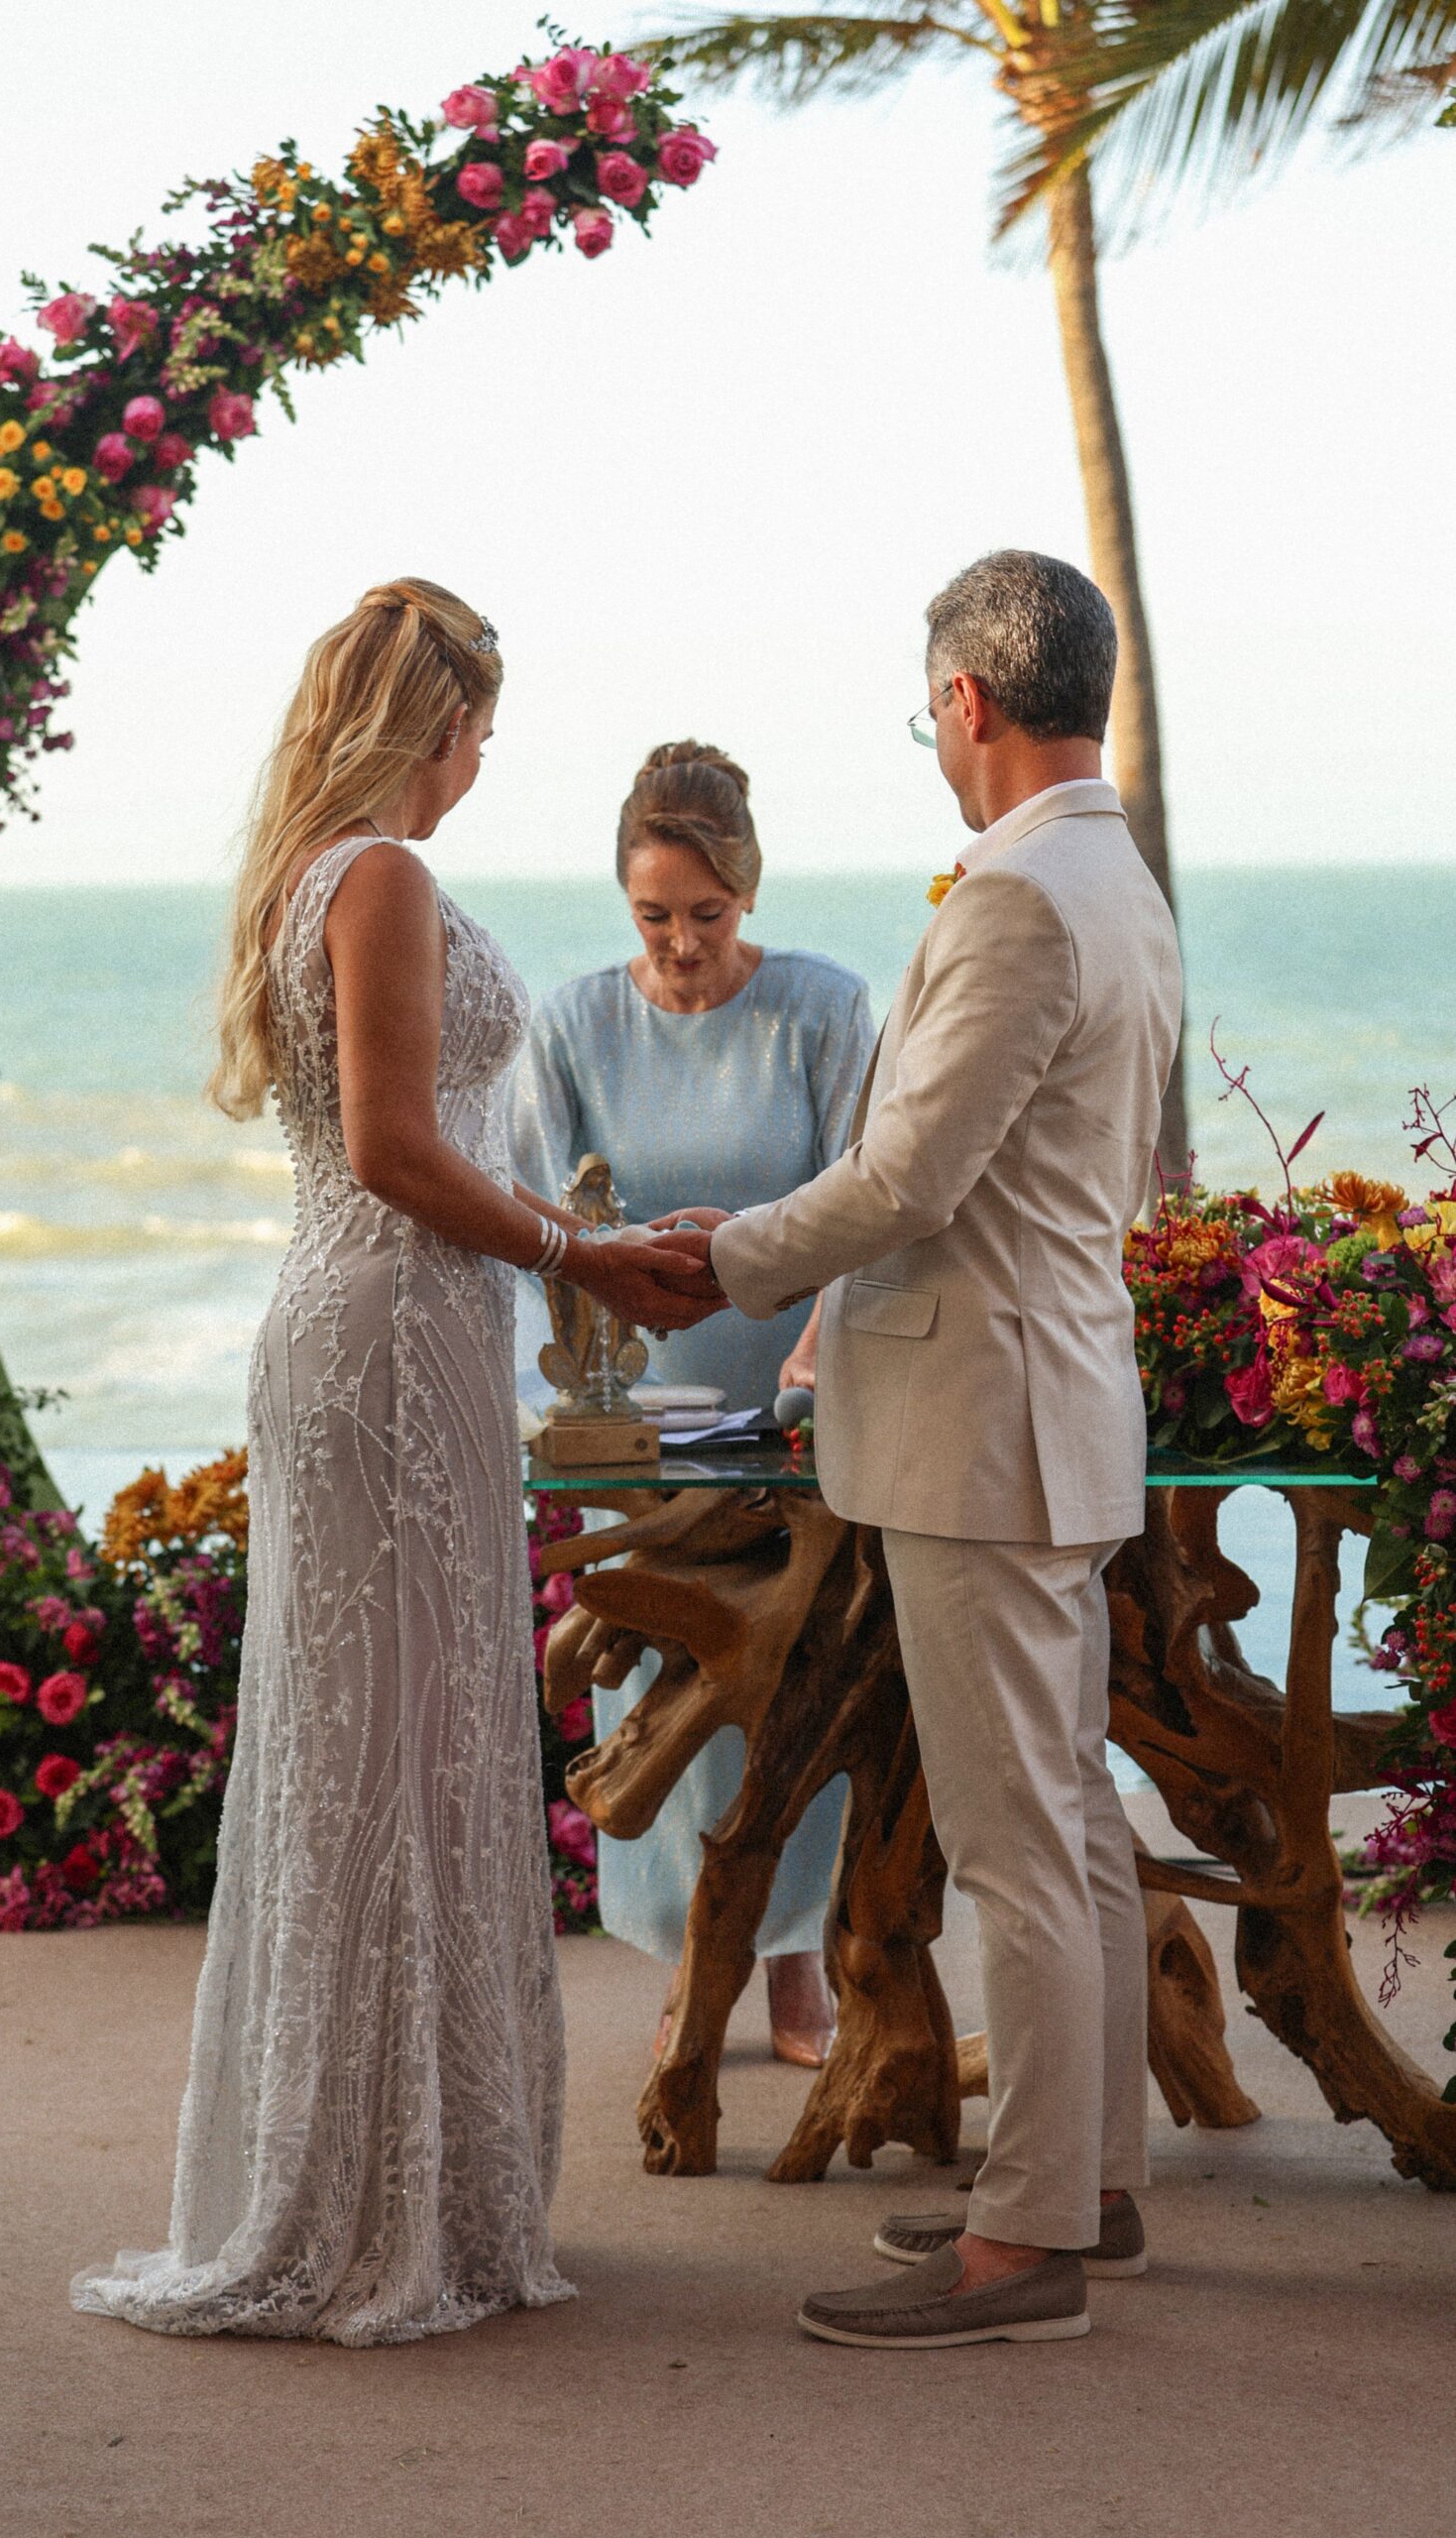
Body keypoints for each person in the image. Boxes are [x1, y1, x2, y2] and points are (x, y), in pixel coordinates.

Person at [70, 580, 713, 2348]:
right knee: (391, 1752)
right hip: (386, 1348)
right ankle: (373, 2204)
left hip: (387, 1344)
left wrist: (575, 1246)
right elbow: (393, 1147)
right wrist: (579, 1258)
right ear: (424, 724)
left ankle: (387, 2180)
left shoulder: (319, 876)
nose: (485, 759)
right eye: (478, 726)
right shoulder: (382, 876)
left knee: (388, 1746)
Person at [653, 551, 1183, 2351]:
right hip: (1056, 1403)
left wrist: (717, 1261)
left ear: (968, 700)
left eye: (927, 713)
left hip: (985, 1429)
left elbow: (909, 1182)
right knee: (1075, 1829)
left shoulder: (1022, 897)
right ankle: (1083, 2183)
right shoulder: (1124, 878)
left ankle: (1029, 2251)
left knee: (1017, 1836)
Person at [507, 742, 874, 2065]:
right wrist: (560, 1407)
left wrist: (821, 1359)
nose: (680, 944)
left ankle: (793, 1974)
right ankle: (693, 1968)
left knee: (794, 1678)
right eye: (653, 917)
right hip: (636, 1409)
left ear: (749, 895)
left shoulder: (827, 1010)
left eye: (705, 917)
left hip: (791, 1408)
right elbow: (534, 1214)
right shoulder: (570, 1026)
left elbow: (863, 1200)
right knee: (669, 1684)